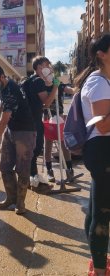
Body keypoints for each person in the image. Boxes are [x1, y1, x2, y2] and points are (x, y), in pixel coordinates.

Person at [74, 33, 110, 276]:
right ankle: (99, 270)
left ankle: (96, 263)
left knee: (98, 205)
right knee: (103, 212)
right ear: (102, 54)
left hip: (102, 150)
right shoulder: (98, 83)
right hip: (102, 149)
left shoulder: (104, 81)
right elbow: (104, 125)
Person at [0, 64, 36, 215]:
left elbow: (4, 120)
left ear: (2, 77)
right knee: (5, 167)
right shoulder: (5, 86)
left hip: (25, 131)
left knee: (22, 169)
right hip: (12, 129)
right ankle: (11, 199)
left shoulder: (12, 90)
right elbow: (2, 100)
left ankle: (20, 203)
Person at [26, 56, 60, 187]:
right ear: (39, 68)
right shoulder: (38, 81)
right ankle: (33, 178)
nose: (49, 68)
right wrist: (56, 87)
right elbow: (46, 103)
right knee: (36, 149)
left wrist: (51, 82)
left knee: (32, 151)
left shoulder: (30, 80)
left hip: (27, 121)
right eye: (47, 66)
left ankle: (32, 177)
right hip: (34, 121)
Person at [43, 82, 76, 183]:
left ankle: (69, 169)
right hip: (47, 118)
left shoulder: (58, 84)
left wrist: (78, 86)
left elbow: (71, 90)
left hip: (59, 117)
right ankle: (49, 170)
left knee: (63, 143)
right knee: (48, 143)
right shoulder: (40, 84)